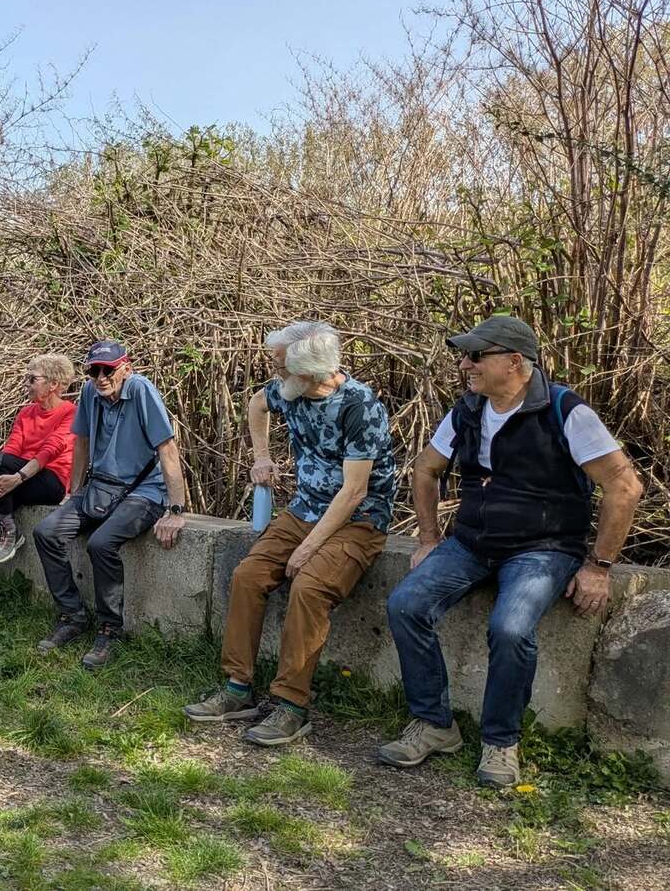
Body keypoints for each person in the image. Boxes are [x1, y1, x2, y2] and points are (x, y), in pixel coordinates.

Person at [377, 316, 642, 788]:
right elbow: (425, 469)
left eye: (476, 356)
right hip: (472, 543)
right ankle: (434, 724)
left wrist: (599, 566)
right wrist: (428, 539)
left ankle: (501, 741)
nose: (465, 365)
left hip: (544, 549)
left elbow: (624, 487)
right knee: (406, 604)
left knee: (511, 627)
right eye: (465, 356)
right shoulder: (467, 410)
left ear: (514, 361)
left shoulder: (564, 410)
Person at [184, 322, 397, 746]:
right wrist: (261, 458)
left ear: (309, 371)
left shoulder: (360, 406)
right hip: (304, 510)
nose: (274, 373)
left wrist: (307, 548)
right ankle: (237, 688)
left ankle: (291, 705)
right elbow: (257, 404)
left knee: (309, 587)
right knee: (248, 576)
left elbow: (354, 492)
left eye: (280, 367)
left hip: (358, 521)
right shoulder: (289, 390)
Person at [32, 341, 188, 669]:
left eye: (108, 370)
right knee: (46, 532)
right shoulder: (90, 392)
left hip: (143, 492)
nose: (101, 377)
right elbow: (82, 441)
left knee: (101, 543)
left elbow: (167, 449)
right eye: (94, 371)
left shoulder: (141, 390)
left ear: (125, 368)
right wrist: (74, 491)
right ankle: (72, 615)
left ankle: (109, 630)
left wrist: (176, 510)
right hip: (100, 489)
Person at [0, 354, 76, 619]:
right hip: (15, 480)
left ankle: (8, 529)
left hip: (49, 481)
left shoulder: (70, 413)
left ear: (54, 384)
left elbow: (50, 451)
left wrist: (16, 477)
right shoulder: (26, 413)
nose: (27, 384)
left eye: (32, 379)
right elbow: (11, 451)